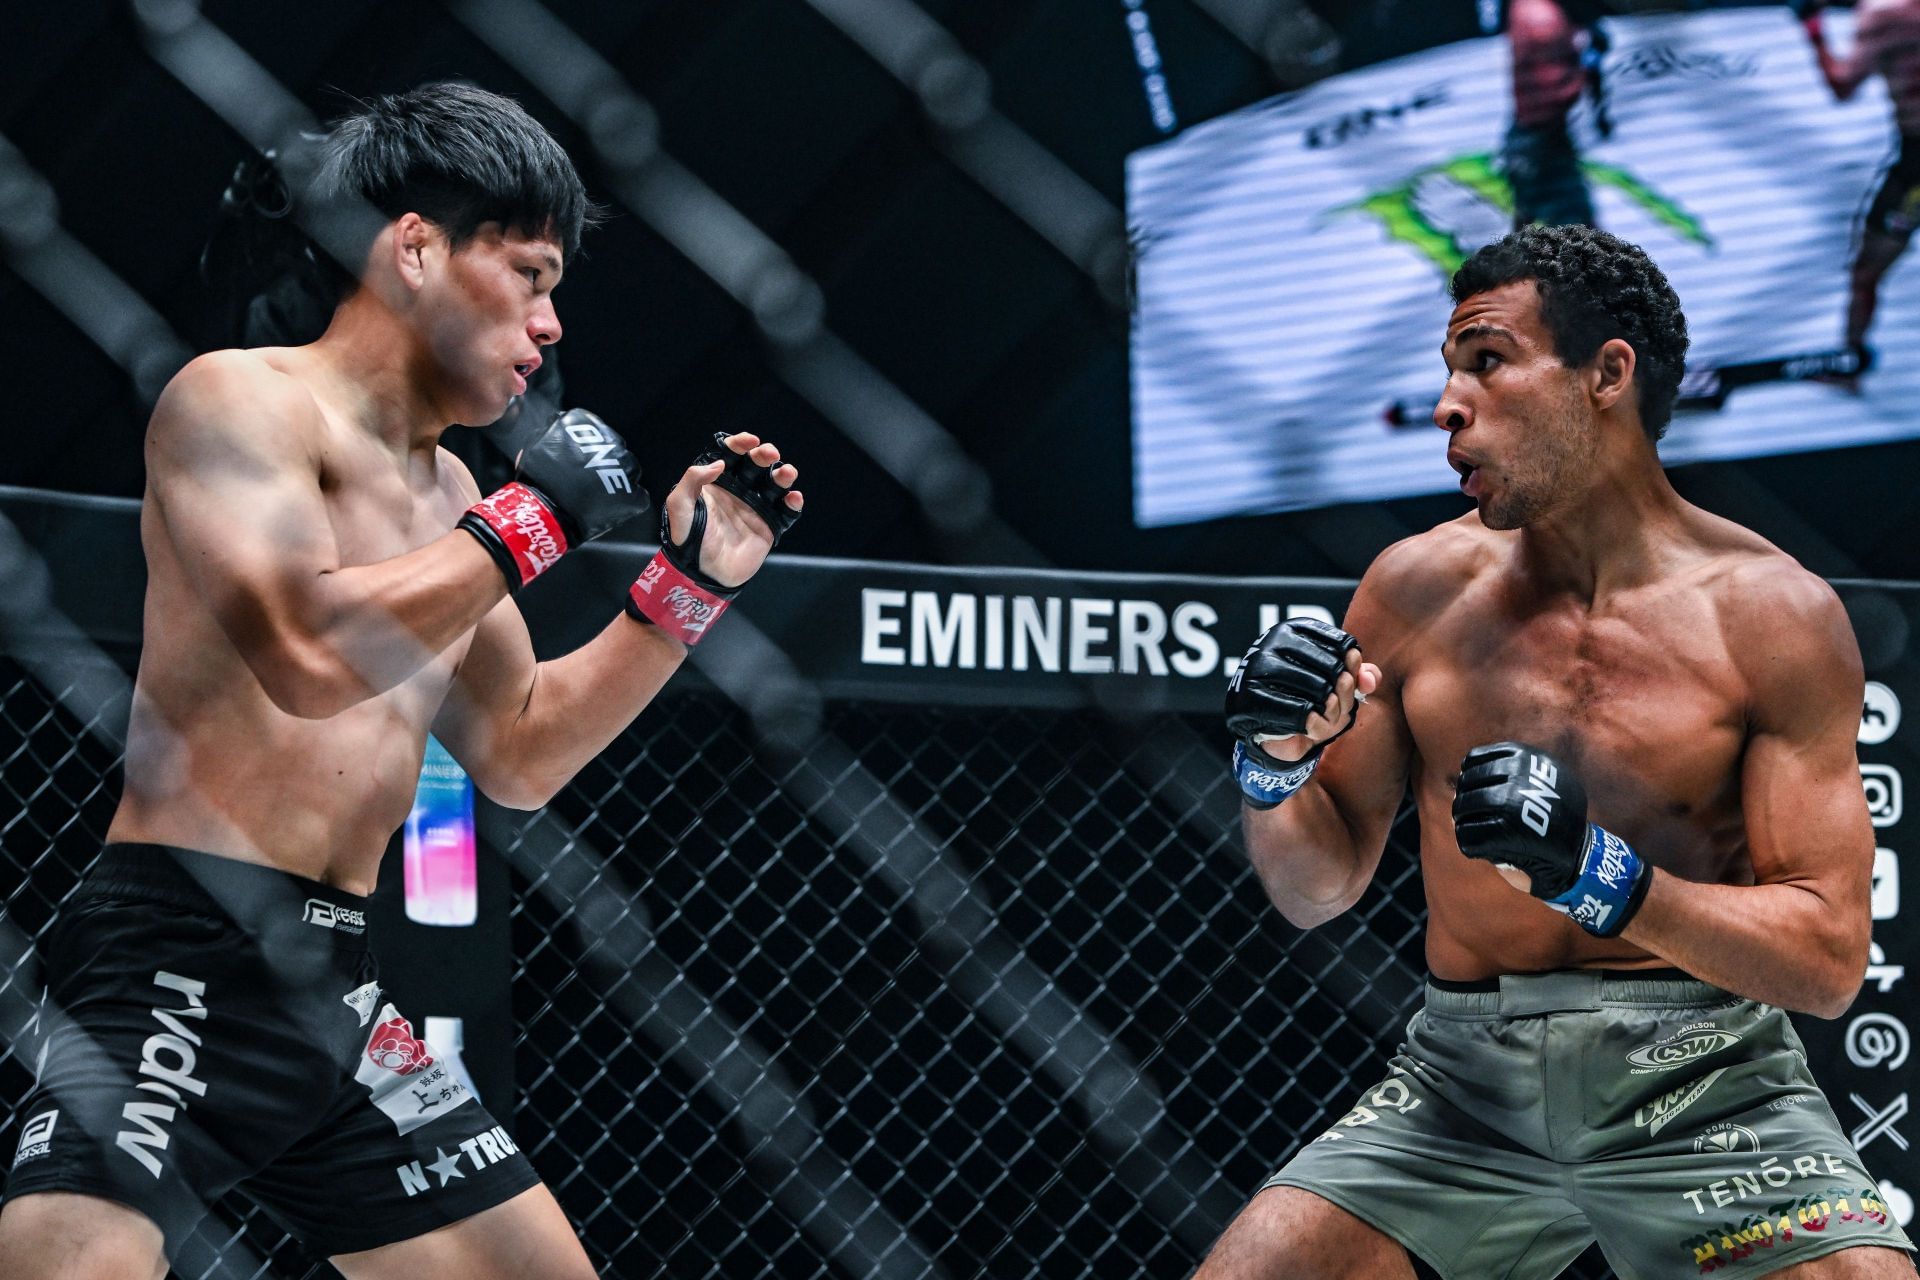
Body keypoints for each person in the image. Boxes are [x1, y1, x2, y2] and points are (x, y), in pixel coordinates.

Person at [0, 82, 801, 1280]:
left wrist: (686, 586)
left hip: (338, 990)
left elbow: (523, 750)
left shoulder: (453, 500)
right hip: (176, 957)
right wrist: (532, 525)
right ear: (415, 248)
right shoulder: (239, 399)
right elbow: (308, 655)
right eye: (531, 275)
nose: (553, 324)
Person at [1200, 224, 1915, 1279]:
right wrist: (1273, 765)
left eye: (1486, 362)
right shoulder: (1412, 591)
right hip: (1462, 1082)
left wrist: (1604, 881)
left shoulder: (1773, 615)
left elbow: (1825, 957)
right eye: (1448, 371)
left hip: (1707, 1073)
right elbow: (1318, 886)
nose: (1448, 403)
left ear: (1606, 375)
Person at [1801, 0, 1920, 368]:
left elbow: (1842, 85)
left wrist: (1812, 28)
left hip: (1915, 168)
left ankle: (1850, 364)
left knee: (1866, 273)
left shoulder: (1884, 16)